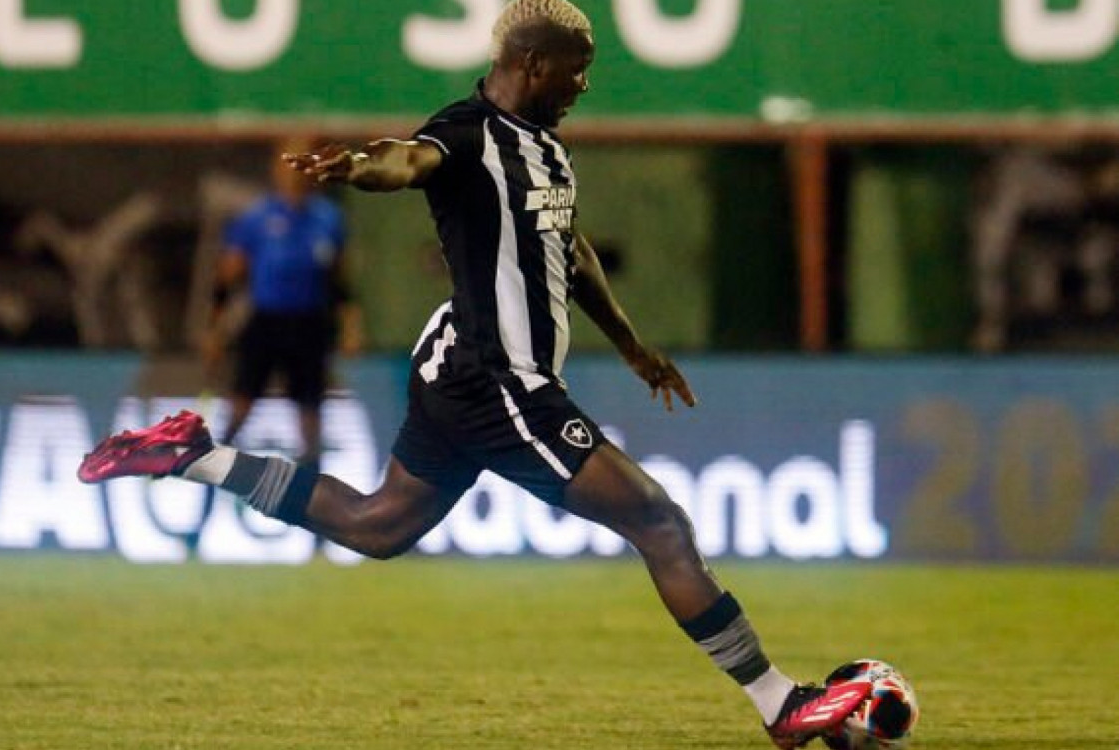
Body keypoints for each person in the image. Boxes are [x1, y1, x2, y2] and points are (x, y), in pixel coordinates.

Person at [78, 2, 868, 746]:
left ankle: (193, 454)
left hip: (464, 370)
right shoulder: (465, 135)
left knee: (377, 525)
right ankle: (780, 704)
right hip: (499, 381)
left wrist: (631, 346)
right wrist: (357, 165)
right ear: (530, 62)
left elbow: (571, 248)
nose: (584, 85)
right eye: (575, 70)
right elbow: (407, 160)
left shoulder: (547, 149)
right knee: (659, 523)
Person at [204, 138, 363, 466]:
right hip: (267, 321)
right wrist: (215, 330)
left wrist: (350, 326)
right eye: (288, 166)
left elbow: (341, 280)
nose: (295, 175)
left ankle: (311, 481)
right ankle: (213, 464)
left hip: (310, 324)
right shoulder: (257, 218)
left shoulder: (328, 219)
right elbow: (227, 278)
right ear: (276, 170)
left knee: (310, 408)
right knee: (242, 402)